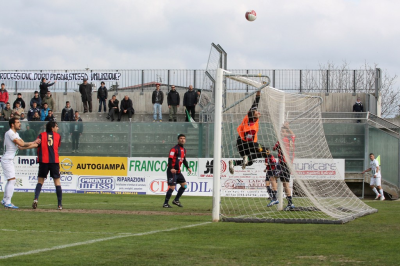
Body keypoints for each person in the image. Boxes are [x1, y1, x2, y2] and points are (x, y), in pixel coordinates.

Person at [1, 118, 38, 209]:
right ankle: (7, 201)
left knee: (11, 180)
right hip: (7, 159)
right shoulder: (10, 133)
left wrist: (36, 145)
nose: (20, 124)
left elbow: (21, 146)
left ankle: (5, 200)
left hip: (9, 159)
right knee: (12, 180)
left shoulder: (16, 134)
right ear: (12, 124)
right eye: (17, 122)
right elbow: (21, 144)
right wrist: (33, 142)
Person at [228, 91, 269, 174]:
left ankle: (234, 163)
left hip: (240, 143)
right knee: (266, 150)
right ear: (254, 116)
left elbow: (255, 104)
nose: (258, 112)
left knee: (250, 162)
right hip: (246, 142)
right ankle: (247, 158)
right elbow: (248, 140)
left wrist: (258, 93)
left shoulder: (249, 116)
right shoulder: (251, 128)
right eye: (256, 112)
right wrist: (258, 148)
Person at [32, 121, 63, 210]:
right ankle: (59, 205)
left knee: (40, 181)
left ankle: (36, 199)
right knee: (57, 182)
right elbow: (57, 145)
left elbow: (36, 144)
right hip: (54, 161)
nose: (58, 128)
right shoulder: (58, 136)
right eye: (56, 126)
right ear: (52, 128)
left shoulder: (41, 135)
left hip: (43, 161)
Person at [163, 134, 192, 208]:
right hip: (172, 171)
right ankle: (165, 203)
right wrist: (171, 168)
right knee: (172, 187)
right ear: (178, 140)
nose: (182, 140)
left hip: (178, 172)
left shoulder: (184, 150)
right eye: (181, 138)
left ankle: (176, 200)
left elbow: (184, 160)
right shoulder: (174, 149)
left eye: (184, 138)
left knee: (184, 185)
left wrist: (188, 167)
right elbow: (170, 159)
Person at [272, 122, 296, 211]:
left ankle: (274, 198)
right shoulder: (291, 138)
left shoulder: (282, 140)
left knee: (272, 177)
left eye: (283, 132)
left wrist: (286, 129)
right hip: (288, 164)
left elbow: (274, 148)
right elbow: (293, 135)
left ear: (286, 133)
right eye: (281, 132)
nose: (282, 133)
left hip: (283, 163)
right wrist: (287, 128)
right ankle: (290, 203)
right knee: (285, 183)